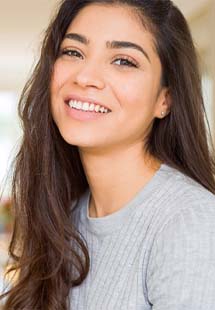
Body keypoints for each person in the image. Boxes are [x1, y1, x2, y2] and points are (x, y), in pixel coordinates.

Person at [1, 0, 215, 309]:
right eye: (73, 52)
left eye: (124, 61)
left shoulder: (191, 223)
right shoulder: (66, 216)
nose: (85, 77)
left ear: (164, 100)